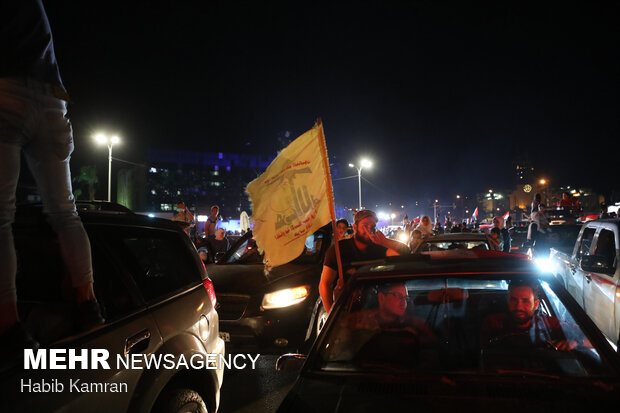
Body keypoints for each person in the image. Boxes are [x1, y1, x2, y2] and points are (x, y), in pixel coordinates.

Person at [0, 1, 104, 352]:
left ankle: (9, 323)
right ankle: (88, 303)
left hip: (5, 92)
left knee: (2, 218)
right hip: (51, 101)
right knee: (65, 213)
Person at [319, 209, 410, 313]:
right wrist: (331, 314)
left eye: (372, 226)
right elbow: (325, 285)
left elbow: (405, 256)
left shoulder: (379, 248)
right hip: (347, 308)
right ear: (355, 227)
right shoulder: (339, 250)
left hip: (375, 310)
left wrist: (386, 242)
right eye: (365, 225)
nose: (369, 229)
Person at [480, 279, 578, 351]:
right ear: (507, 301)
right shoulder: (493, 322)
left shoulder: (548, 324)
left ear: (536, 304)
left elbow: (589, 338)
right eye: (513, 300)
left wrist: (575, 343)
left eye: (525, 301)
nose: (519, 307)